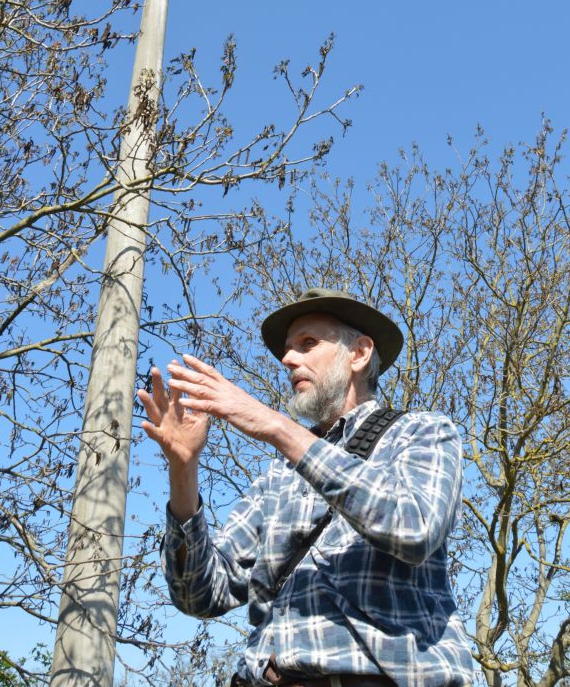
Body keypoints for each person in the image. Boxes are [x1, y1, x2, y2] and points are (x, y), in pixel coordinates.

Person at [137, 288, 474, 687]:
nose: (287, 359)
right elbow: (200, 594)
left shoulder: (422, 433)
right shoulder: (278, 474)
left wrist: (279, 428)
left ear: (359, 353)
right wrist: (183, 469)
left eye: (308, 343)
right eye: (287, 349)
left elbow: (414, 527)